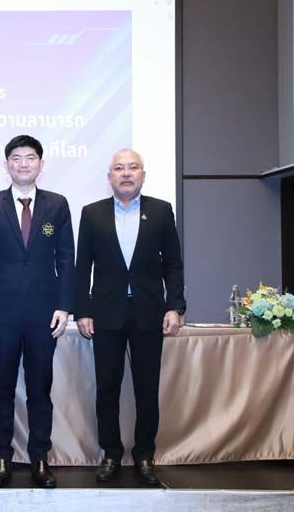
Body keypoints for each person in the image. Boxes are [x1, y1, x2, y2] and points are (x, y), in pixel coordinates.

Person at [75, 149, 185, 486]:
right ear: (110, 176)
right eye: (119, 168)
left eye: (133, 167)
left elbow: (173, 264)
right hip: (105, 314)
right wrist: (83, 310)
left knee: (146, 388)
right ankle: (110, 454)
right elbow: (82, 267)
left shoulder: (161, 211)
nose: (126, 173)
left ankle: (144, 455)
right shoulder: (92, 213)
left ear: (143, 174)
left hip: (149, 313)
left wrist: (175, 306)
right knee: (107, 388)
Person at [0, 134, 75, 488]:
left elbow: (66, 258)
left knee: (39, 390)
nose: (23, 164)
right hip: (1, 315)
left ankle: (40, 459)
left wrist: (64, 305)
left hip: (44, 315)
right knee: (1, 389)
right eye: (16, 158)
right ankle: (2, 457)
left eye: (30, 157)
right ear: (7, 165)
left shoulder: (57, 205)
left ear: (40, 164)